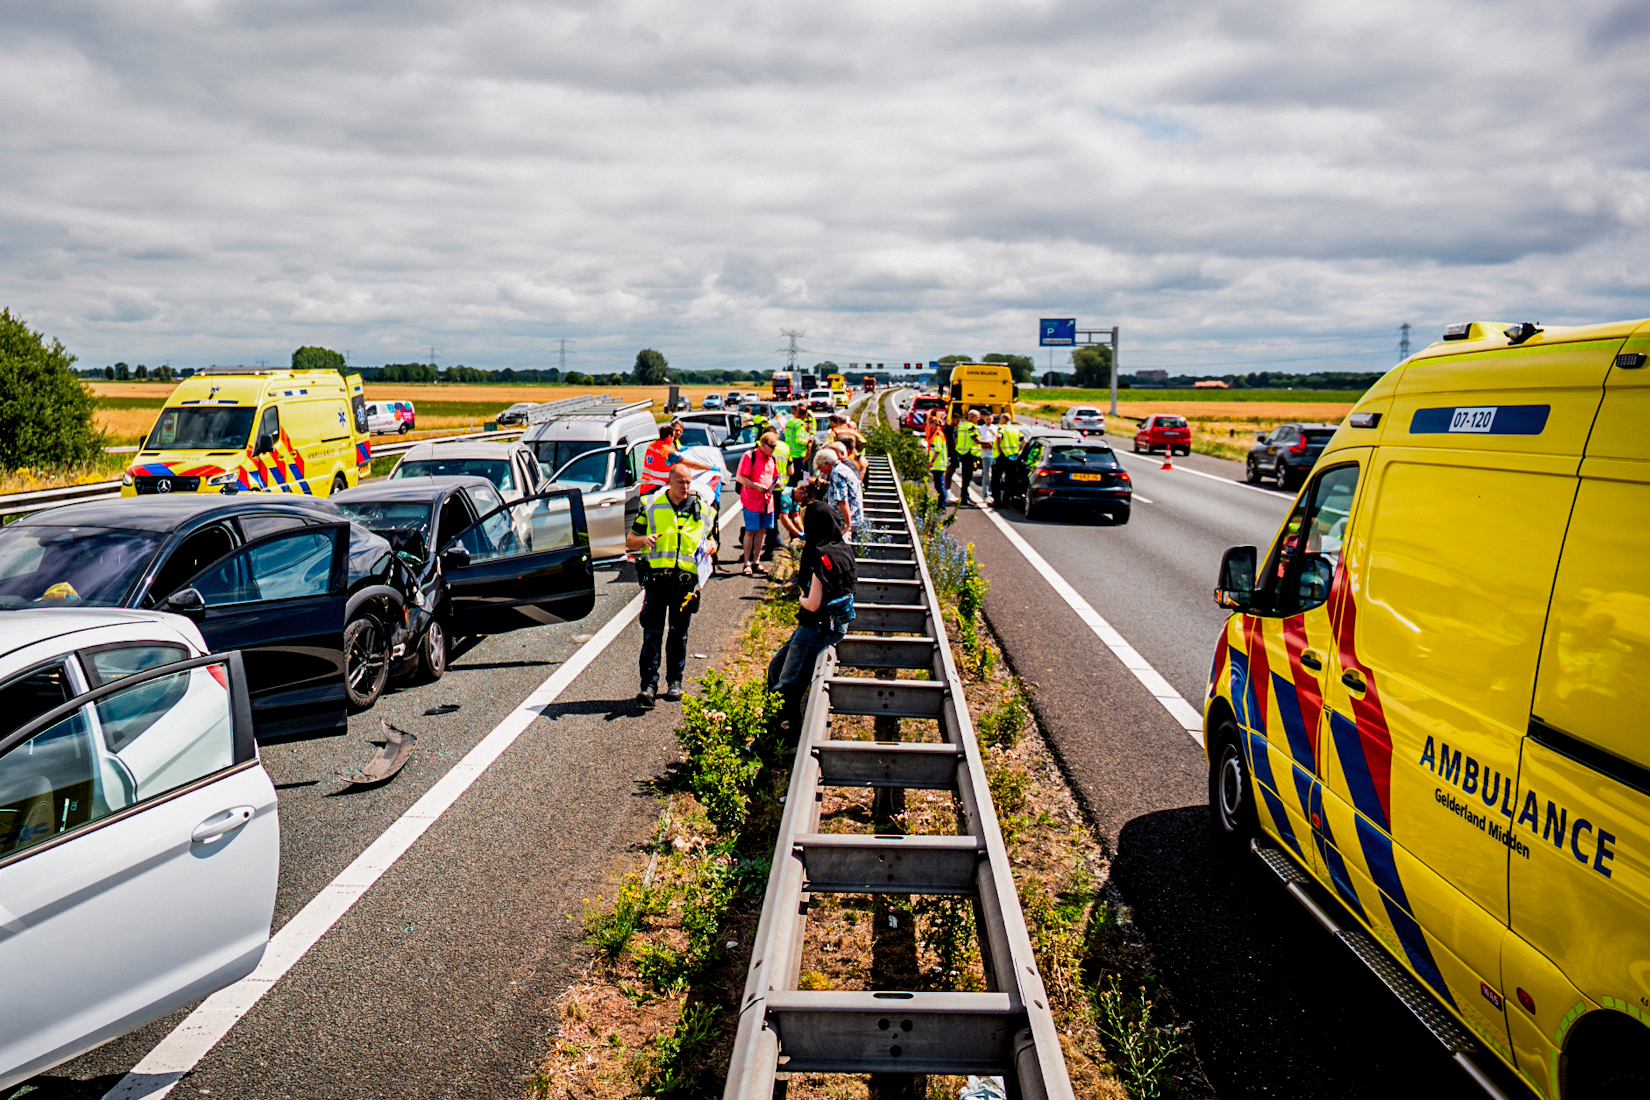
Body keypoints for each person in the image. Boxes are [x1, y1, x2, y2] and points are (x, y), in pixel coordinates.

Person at [627, 463, 717, 708]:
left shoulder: (703, 508)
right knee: (652, 632)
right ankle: (649, 685)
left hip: (686, 583)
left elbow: (711, 540)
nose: (685, 487)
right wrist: (644, 540)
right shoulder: (651, 505)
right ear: (670, 481)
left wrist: (711, 546)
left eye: (688, 482)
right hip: (657, 580)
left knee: (679, 633)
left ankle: (675, 682)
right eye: (681, 482)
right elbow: (630, 540)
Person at [767, 500, 857, 739]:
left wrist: (801, 598)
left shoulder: (820, 555)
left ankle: (775, 733)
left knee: (785, 683)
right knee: (777, 667)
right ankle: (792, 722)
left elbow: (813, 602)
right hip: (834, 625)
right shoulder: (843, 548)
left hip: (816, 626)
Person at [736, 431, 780, 576]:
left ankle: (756, 561)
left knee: (762, 531)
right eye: (771, 446)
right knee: (750, 531)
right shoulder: (750, 456)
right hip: (752, 500)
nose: (774, 448)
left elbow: (775, 475)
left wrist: (777, 482)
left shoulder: (772, 458)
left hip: (767, 500)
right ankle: (746, 563)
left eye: (775, 446)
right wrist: (755, 485)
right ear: (762, 445)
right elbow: (740, 477)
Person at [640, 420, 713, 493]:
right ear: (669, 437)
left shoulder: (652, 445)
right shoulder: (669, 452)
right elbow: (691, 464)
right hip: (659, 487)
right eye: (673, 436)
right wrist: (709, 467)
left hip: (646, 485)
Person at [815, 446, 863, 543]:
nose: (821, 471)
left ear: (827, 464)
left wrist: (847, 525)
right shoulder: (842, 469)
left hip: (846, 520)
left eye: (820, 467)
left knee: (841, 549)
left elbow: (842, 500)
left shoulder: (837, 473)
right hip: (851, 517)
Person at [990, 414, 1023, 506]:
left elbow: (999, 437)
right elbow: (1024, 441)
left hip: (1002, 456)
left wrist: (999, 448)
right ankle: (1006, 501)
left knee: (996, 478)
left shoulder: (1002, 428)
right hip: (1012, 457)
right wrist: (1019, 450)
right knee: (1010, 479)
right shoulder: (1016, 429)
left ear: (1003, 420)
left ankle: (997, 501)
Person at [953, 410, 982, 505]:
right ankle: (965, 498)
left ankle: (965, 496)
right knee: (967, 477)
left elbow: (956, 440)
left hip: (962, 453)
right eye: (977, 417)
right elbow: (976, 439)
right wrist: (988, 443)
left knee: (965, 477)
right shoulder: (971, 427)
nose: (979, 419)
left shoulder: (962, 426)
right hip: (969, 454)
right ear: (972, 417)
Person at [783, 402, 812, 487]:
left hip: (789, 452)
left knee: (791, 477)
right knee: (796, 479)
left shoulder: (790, 422)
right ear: (805, 415)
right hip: (798, 455)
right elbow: (799, 440)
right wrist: (807, 440)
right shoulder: (800, 424)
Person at [927, 419, 950, 506]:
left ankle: (942, 505)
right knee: (939, 486)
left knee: (940, 486)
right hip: (938, 464)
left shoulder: (937, 435)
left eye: (929, 424)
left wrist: (932, 461)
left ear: (933, 424)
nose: (928, 426)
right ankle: (941, 504)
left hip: (938, 464)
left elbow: (937, 450)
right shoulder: (937, 434)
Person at [977, 414, 998, 491]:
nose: (988, 421)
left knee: (994, 475)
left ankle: (992, 492)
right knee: (987, 474)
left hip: (995, 454)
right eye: (987, 419)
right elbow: (980, 442)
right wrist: (987, 445)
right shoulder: (981, 428)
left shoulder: (995, 428)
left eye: (990, 419)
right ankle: (986, 493)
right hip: (986, 455)